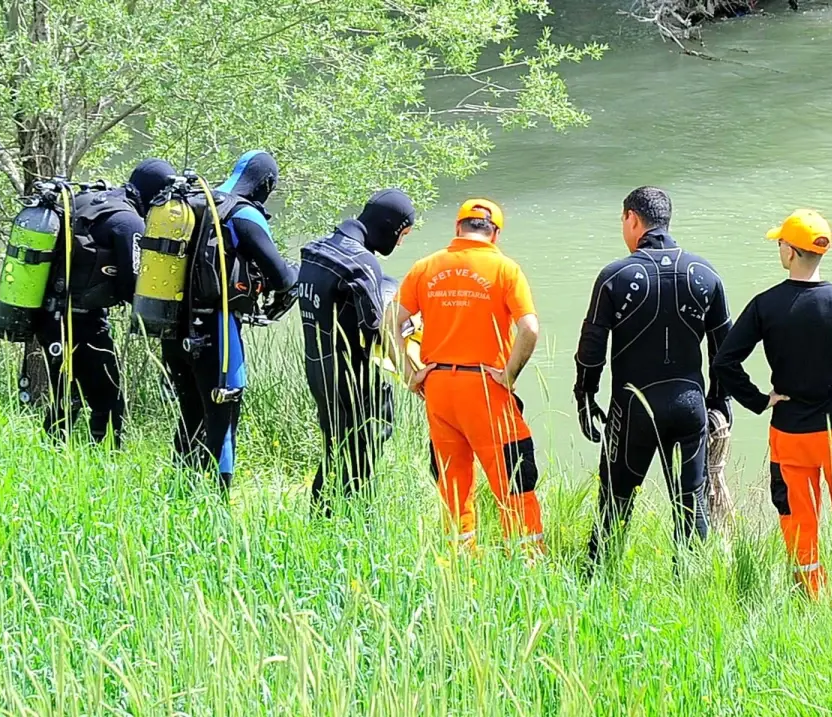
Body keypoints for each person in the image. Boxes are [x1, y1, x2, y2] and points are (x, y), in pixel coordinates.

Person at [712, 209, 832, 598]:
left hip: (791, 434)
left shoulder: (765, 305)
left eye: (780, 243)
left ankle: (811, 601)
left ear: (791, 252)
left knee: (797, 521)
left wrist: (760, 399)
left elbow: (724, 363)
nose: (778, 249)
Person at [574, 186, 733, 566]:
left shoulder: (615, 275)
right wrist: (720, 400)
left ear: (632, 219)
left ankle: (598, 583)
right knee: (691, 504)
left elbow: (591, 346)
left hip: (633, 409)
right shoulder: (705, 273)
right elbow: (725, 349)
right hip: (689, 406)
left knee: (616, 501)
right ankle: (691, 590)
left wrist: (584, 396)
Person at [395, 199, 544, 552]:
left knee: (452, 484)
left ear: (457, 228)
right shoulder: (505, 269)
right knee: (514, 479)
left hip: (439, 388)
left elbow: (392, 321)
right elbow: (530, 328)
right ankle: (528, 564)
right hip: (486, 389)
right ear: (495, 233)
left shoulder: (425, 267)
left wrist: (410, 373)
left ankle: (459, 566)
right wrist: (508, 375)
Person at [160, 150, 299, 493]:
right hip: (216, 329)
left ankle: (179, 493)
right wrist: (297, 274)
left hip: (172, 326)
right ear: (266, 184)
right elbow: (281, 277)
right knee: (224, 410)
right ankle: (218, 506)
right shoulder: (242, 213)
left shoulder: (195, 202)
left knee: (191, 408)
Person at [37, 158, 176, 448]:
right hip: (83, 321)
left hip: (47, 314)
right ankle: (105, 463)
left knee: (65, 396)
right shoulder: (129, 221)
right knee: (110, 402)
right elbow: (134, 283)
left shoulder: (89, 198)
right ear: (157, 195)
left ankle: (50, 457)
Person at [297, 188, 416, 516]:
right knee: (362, 449)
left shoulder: (315, 250)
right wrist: (410, 371)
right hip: (351, 374)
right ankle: (350, 521)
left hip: (318, 367)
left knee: (333, 449)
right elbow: (379, 328)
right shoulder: (362, 264)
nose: (401, 243)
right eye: (402, 235)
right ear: (391, 228)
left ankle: (319, 520)